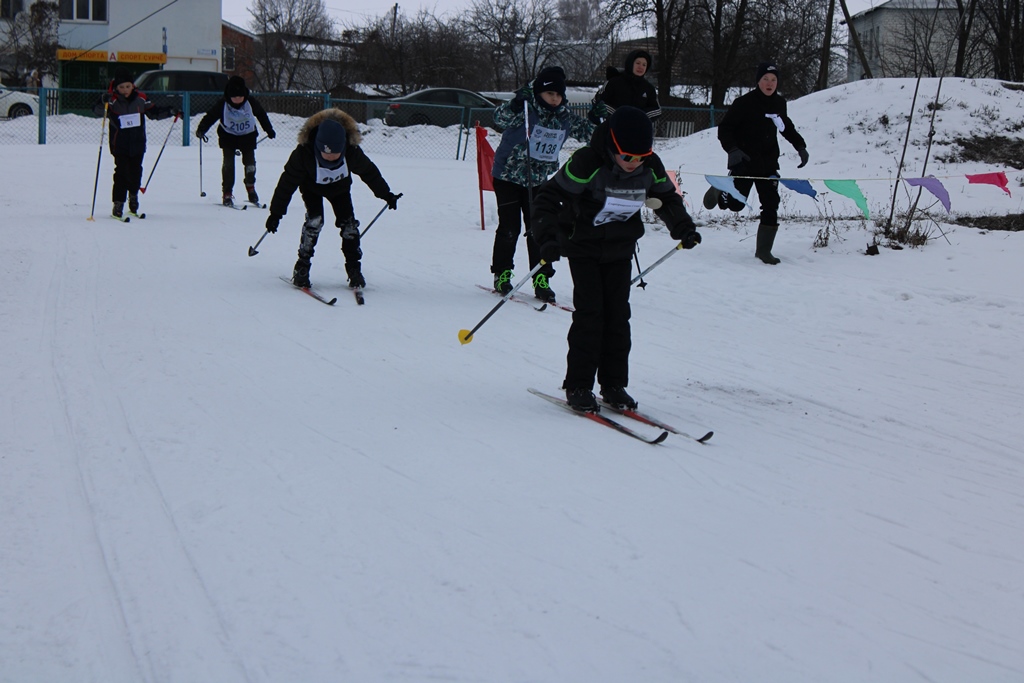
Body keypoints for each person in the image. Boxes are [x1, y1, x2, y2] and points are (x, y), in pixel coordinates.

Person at [531, 106, 701, 413]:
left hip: (620, 249)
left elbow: (667, 198)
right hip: (583, 247)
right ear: (612, 145)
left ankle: (613, 385)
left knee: (618, 317)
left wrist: (683, 227)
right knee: (590, 314)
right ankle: (578, 385)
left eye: (640, 157)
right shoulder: (587, 161)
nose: (633, 163)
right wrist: (548, 237)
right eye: (627, 156)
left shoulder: (650, 165)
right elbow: (549, 197)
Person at [490, 65, 593, 304]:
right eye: (549, 94)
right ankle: (502, 273)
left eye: (558, 94)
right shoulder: (526, 109)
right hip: (508, 177)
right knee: (510, 227)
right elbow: (499, 118)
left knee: (540, 229)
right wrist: (516, 103)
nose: (554, 99)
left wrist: (598, 119)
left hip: (537, 180)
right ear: (539, 93)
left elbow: (590, 134)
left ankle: (541, 277)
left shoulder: (564, 117)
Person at [264, 108, 401, 289]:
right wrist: (276, 213)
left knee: (349, 226)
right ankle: (302, 266)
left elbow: (369, 172)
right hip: (311, 188)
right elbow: (286, 184)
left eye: (335, 155)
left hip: (339, 190)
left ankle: (354, 269)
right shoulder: (303, 154)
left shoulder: (351, 151)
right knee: (315, 221)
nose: (330, 159)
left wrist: (386, 194)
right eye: (325, 154)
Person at [702, 61, 808, 265]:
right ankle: (720, 190)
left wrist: (800, 146)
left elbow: (786, 127)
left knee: (771, 203)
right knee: (735, 205)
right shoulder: (744, 103)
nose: (769, 83)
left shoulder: (779, 103)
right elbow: (725, 129)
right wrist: (733, 150)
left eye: (773, 80)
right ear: (758, 81)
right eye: (765, 79)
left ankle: (764, 251)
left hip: (768, 163)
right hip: (744, 161)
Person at [92, 67, 177, 219]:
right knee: (121, 173)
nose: (125, 90)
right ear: (116, 87)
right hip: (119, 144)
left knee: (135, 172)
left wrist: (170, 111)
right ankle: (118, 204)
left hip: (138, 143)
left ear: (133, 86)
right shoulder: (112, 100)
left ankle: (133, 198)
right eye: (121, 87)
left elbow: (154, 112)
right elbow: (97, 111)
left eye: (128, 86)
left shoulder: (141, 98)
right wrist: (101, 101)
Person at [195, 75, 276, 207]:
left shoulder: (251, 102)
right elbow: (211, 116)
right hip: (228, 137)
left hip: (248, 136)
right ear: (229, 96)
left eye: (240, 97)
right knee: (228, 165)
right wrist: (202, 129)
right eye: (234, 97)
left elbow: (261, 114)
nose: (237, 100)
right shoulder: (223, 104)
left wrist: (269, 129)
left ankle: (250, 187)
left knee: (250, 165)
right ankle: (227, 192)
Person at [593, 50, 662, 125]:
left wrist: (639, 116)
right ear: (630, 63)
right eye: (638, 63)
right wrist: (618, 114)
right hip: (613, 127)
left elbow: (657, 110)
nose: (641, 67)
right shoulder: (614, 82)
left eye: (644, 65)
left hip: (637, 129)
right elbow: (597, 100)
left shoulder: (649, 88)